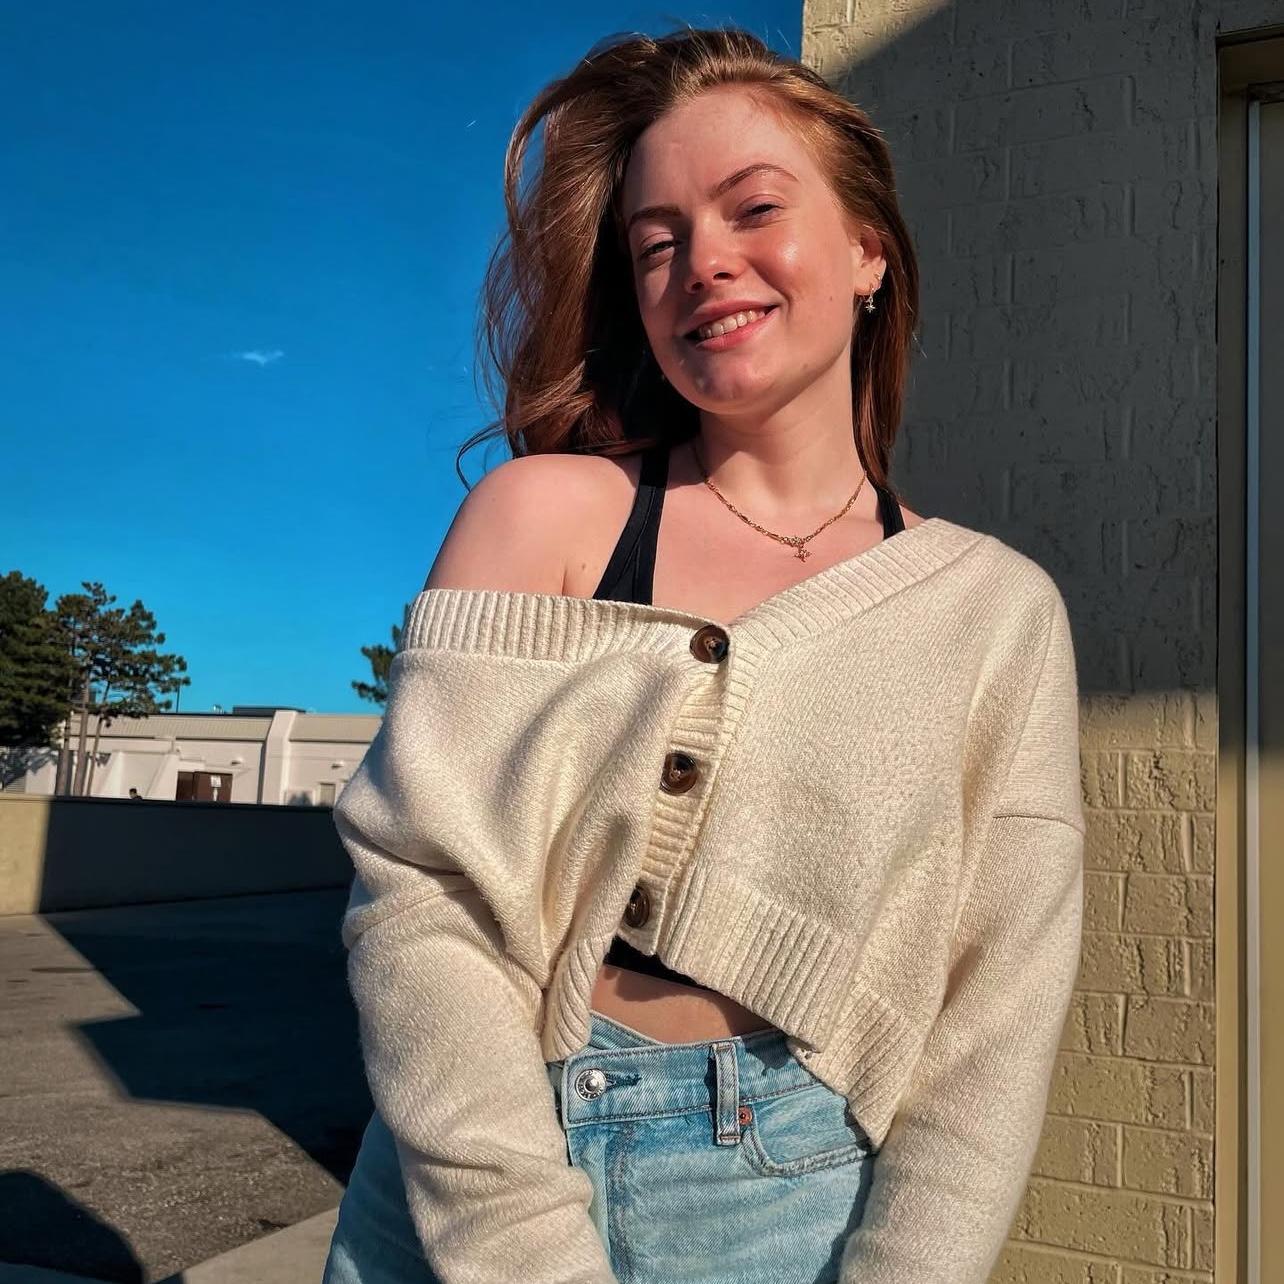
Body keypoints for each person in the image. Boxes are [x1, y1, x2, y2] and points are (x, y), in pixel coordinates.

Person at [322, 25, 1084, 1284]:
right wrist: (518, 1245)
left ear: (870, 251)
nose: (703, 263)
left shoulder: (994, 612)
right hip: (461, 1171)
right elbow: (421, 890)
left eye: (754, 209)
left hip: (788, 1201)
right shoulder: (544, 519)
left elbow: (995, 1022)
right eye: (656, 242)